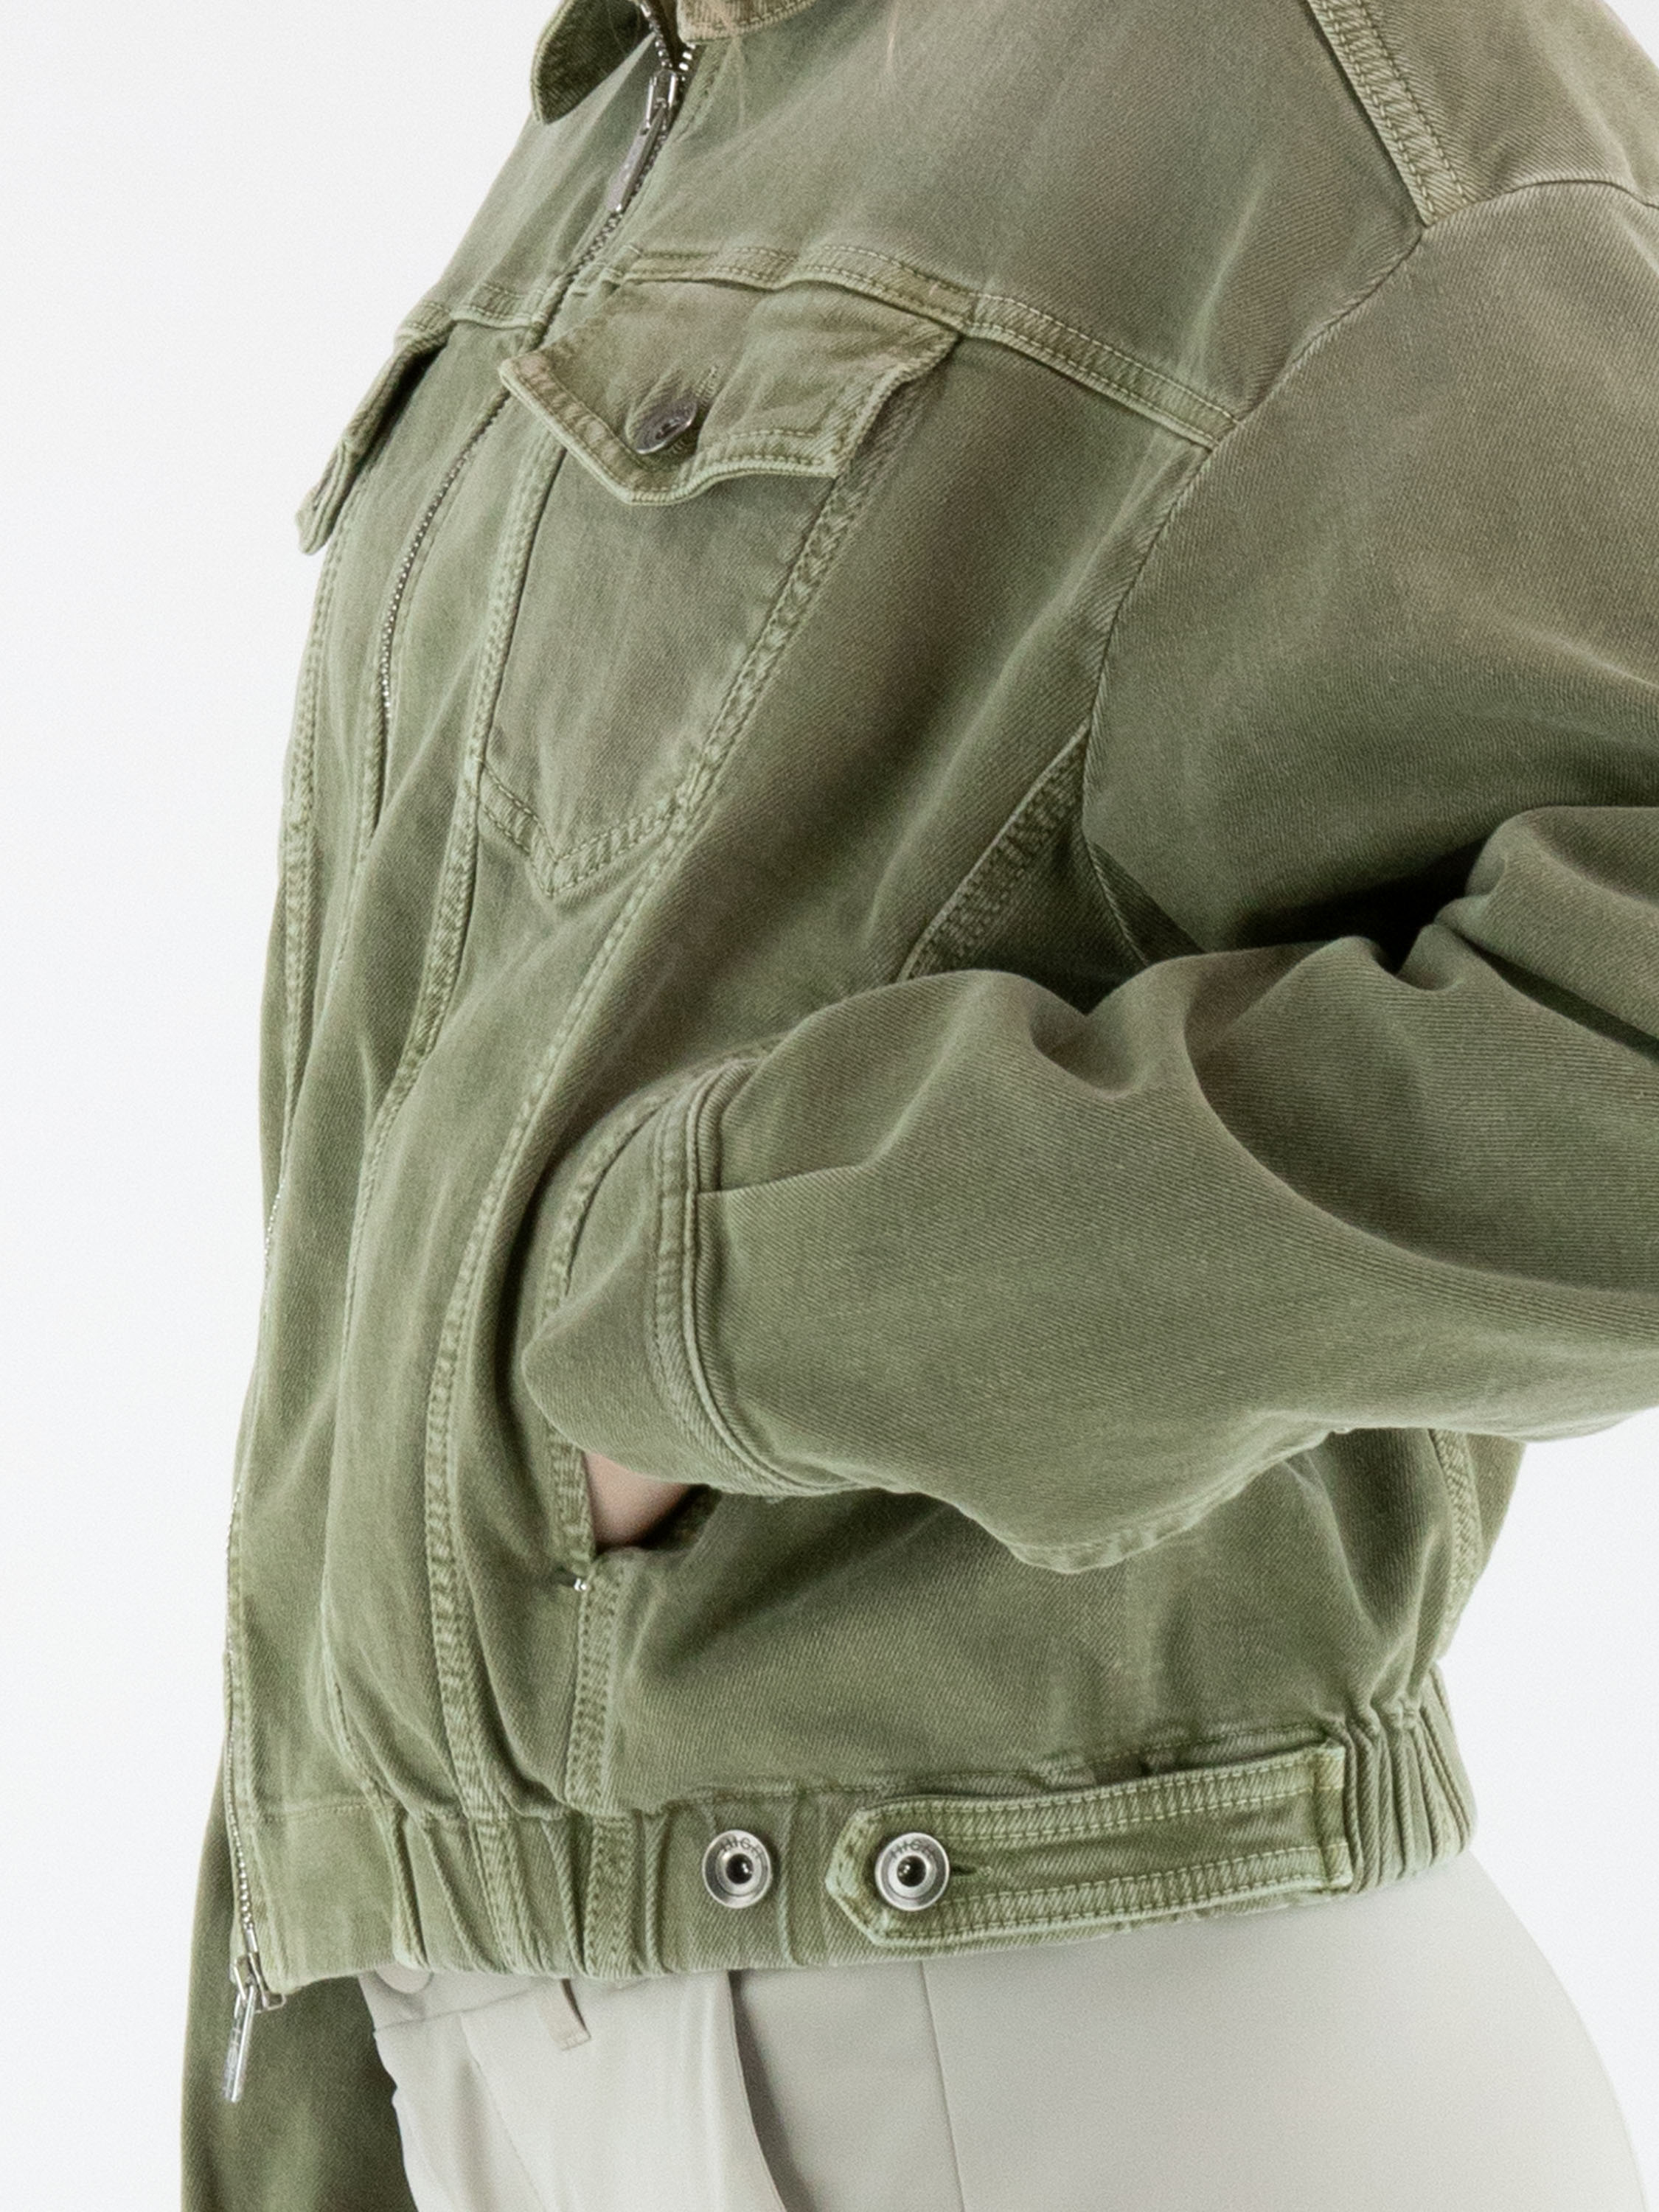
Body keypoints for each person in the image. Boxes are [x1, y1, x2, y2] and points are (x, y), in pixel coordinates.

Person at [183, 0, 1659, 2203]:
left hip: (1037, 2044)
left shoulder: (1319, 73)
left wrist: (738, 1301)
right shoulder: (653, 99)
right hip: (537, 2046)